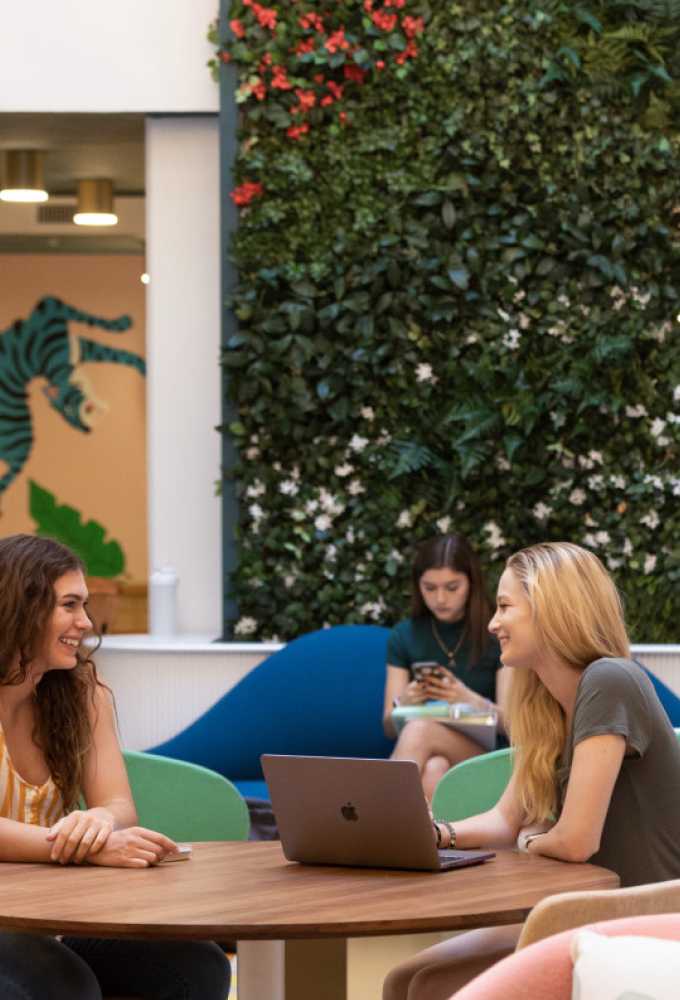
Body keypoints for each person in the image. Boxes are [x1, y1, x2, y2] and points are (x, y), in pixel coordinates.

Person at [383, 541, 680, 1000]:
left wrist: (530, 838)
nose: (492, 623)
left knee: (432, 985)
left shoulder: (610, 681)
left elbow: (577, 840)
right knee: (404, 979)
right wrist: (432, 833)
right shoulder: (544, 702)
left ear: (552, 610)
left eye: (505, 607)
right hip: (583, 907)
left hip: (642, 914)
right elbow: (505, 819)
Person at [0, 533, 230, 1000]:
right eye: (69, 605)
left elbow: (119, 804)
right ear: (20, 608)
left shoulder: (83, 693)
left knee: (195, 963)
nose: (85, 622)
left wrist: (98, 820)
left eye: (84, 606)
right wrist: (77, 848)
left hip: (48, 915)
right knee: (62, 983)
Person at [383, 533, 512, 799]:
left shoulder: (497, 631)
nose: (440, 598)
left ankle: (372, 817)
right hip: (430, 753)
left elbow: (515, 726)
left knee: (420, 728)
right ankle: (429, 839)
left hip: (487, 755)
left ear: (471, 583)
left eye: (452, 588)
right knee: (434, 770)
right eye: (429, 588)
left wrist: (468, 699)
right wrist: (403, 702)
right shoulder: (404, 635)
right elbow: (387, 726)